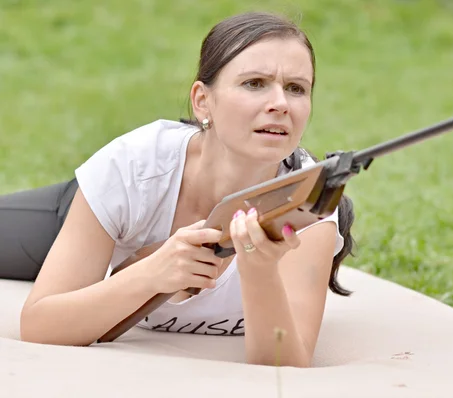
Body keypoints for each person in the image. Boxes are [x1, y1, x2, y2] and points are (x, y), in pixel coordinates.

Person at [0, 11, 356, 368]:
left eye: (296, 88)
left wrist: (259, 272)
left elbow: (286, 365)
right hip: (84, 217)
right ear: (203, 101)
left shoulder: (310, 207)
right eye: (255, 83)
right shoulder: (134, 169)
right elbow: (40, 325)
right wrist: (154, 272)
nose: (280, 103)